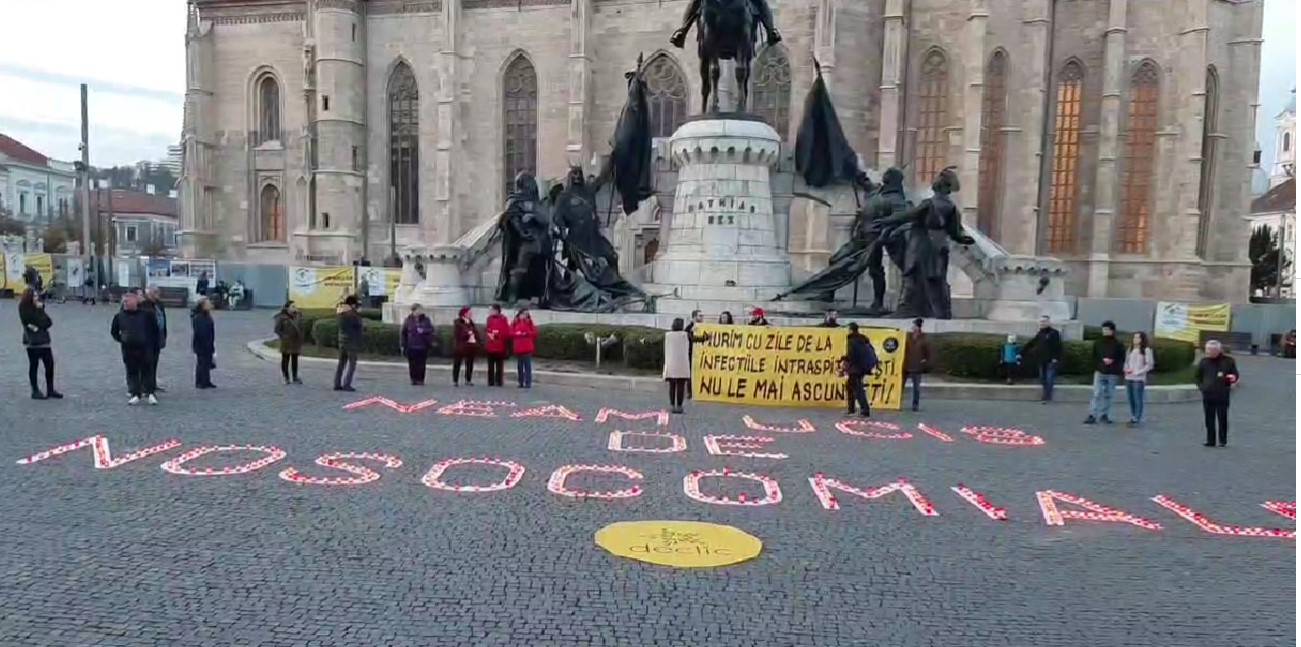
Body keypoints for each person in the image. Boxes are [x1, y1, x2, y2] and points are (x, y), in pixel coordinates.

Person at [110, 293, 161, 405]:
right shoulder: (119, 316)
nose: (126, 303)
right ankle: (135, 393)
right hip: (128, 348)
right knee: (132, 371)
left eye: (128, 301)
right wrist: (122, 339)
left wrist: (152, 343)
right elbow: (114, 332)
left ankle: (150, 393)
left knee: (148, 371)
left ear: (135, 302)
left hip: (145, 347)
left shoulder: (147, 315)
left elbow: (155, 330)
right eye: (124, 301)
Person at [1195, 340, 1239, 447]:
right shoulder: (1204, 362)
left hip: (1222, 394)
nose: (1208, 352)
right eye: (1207, 350)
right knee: (1209, 418)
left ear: (1218, 350)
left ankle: (1222, 440)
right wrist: (1202, 387)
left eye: (1210, 350)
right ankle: (1210, 440)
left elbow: (1235, 374)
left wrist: (1232, 379)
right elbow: (1197, 377)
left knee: (1222, 417)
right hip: (1208, 394)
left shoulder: (1228, 361)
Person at [18, 288, 60, 400]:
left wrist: (41, 311)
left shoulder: (39, 308)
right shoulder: (25, 308)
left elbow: (48, 322)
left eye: (37, 296)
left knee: (49, 365)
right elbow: (32, 321)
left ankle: (50, 389)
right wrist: (38, 317)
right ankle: (35, 390)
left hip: (44, 341)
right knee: (34, 365)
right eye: (34, 296)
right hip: (32, 341)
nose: (37, 298)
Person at [1085, 321, 1126, 424]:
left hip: (1112, 372)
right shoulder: (1098, 343)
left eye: (1107, 330)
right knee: (1096, 393)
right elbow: (1094, 357)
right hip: (1100, 371)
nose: (1105, 332)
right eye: (1103, 330)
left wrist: (1113, 361)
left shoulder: (1118, 344)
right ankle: (1092, 415)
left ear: (1112, 331)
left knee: (1108, 394)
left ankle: (1104, 414)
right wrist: (1100, 363)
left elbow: (1122, 358)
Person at [1018, 315, 1063, 403]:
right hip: (1041, 359)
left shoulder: (1054, 333)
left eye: (1044, 321)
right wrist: (1021, 353)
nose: (1042, 323)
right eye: (1041, 322)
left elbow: (1058, 346)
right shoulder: (1040, 333)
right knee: (1042, 377)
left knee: (1049, 378)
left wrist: (1056, 358)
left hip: (1051, 360)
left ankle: (1046, 397)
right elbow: (1031, 343)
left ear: (1049, 323)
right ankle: (1045, 393)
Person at [844, 322, 877, 417]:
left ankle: (864, 410)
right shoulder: (863, 339)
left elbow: (852, 355)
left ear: (850, 330)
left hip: (855, 368)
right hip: (862, 367)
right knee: (851, 387)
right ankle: (851, 409)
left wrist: (846, 363)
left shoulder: (851, 340)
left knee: (857, 389)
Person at [1123, 331, 1155, 427]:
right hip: (1129, 377)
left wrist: (1139, 372)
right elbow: (1126, 362)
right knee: (1131, 398)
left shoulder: (1146, 350)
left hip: (1139, 378)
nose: (1135, 340)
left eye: (1138, 338)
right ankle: (1133, 416)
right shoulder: (1130, 350)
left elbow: (1149, 365)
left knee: (1138, 398)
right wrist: (1126, 369)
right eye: (1134, 338)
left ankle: (1137, 418)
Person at [140, 287, 169, 392]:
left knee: (155, 361)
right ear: (149, 294)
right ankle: (144, 385)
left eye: (158, 292)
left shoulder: (159, 304)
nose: (157, 294)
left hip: (159, 336)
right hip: (148, 337)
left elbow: (163, 319)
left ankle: (152, 383)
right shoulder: (144, 305)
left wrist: (164, 335)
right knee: (147, 362)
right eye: (155, 293)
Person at [333, 296, 363, 392]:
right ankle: (347, 384)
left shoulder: (340, 312)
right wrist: (358, 313)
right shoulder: (352, 314)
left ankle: (337, 383)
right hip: (351, 342)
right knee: (352, 364)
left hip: (342, 341)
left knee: (341, 363)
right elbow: (358, 325)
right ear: (353, 304)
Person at [401, 304, 435, 386]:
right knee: (412, 364)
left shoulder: (426, 320)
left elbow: (431, 330)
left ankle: (421, 379)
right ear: (413, 310)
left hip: (422, 345)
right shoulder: (408, 320)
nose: (420, 311)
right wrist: (403, 344)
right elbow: (403, 333)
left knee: (421, 364)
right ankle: (413, 379)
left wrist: (423, 330)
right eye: (418, 310)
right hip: (411, 345)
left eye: (421, 310)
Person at [663, 318, 692, 414]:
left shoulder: (668, 335)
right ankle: (679, 405)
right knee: (681, 386)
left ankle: (672, 405)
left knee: (672, 386)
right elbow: (695, 339)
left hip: (671, 363)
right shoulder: (685, 335)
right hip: (682, 363)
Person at [902, 317, 930, 412]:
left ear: (918, 327)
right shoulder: (907, 337)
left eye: (914, 325)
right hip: (906, 365)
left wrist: (924, 362)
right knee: (901, 386)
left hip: (917, 367)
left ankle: (915, 405)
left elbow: (927, 353)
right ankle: (897, 403)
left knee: (916, 388)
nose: (912, 327)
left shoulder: (923, 339)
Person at [274, 301, 304, 384]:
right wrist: (284, 336)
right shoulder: (282, 318)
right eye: (293, 306)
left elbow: (300, 328)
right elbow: (277, 330)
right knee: (285, 360)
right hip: (286, 343)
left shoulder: (297, 317)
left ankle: (295, 377)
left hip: (295, 342)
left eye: (295, 306)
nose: (295, 308)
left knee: (295, 360)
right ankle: (285, 377)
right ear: (287, 308)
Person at [191, 297, 217, 389]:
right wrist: (205, 343)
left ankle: (206, 380)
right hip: (201, 344)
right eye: (208, 304)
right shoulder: (198, 317)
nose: (210, 305)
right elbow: (200, 332)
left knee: (207, 362)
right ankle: (200, 382)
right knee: (202, 363)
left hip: (209, 343)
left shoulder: (207, 315)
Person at [484, 304, 511, 387]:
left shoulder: (503, 319)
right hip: (490, 345)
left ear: (496, 310)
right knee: (490, 365)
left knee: (499, 365)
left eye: (491, 310)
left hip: (500, 345)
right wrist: (489, 333)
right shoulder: (489, 319)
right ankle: (491, 381)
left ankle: (499, 381)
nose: (490, 312)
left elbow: (506, 331)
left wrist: (497, 335)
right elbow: (487, 329)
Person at [452, 306, 479, 386]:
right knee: (457, 363)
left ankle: (468, 379)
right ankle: (455, 380)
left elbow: (475, 332)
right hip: (461, 346)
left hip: (471, 345)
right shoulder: (458, 322)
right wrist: (467, 334)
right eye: (469, 312)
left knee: (470, 363)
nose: (470, 314)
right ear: (464, 314)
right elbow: (457, 334)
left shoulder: (471, 322)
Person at [512, 308, 537, 388]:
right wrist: (517, 334)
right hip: (518, 346)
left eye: (526, 314)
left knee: (527, 366)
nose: (524, 316)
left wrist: (526, 333)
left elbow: (534, 333)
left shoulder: (529, 322)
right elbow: (510, 332)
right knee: (520, 366)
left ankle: (528, 382)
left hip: (527, 347)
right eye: (523, 314)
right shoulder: (515, 322)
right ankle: (521, 382)